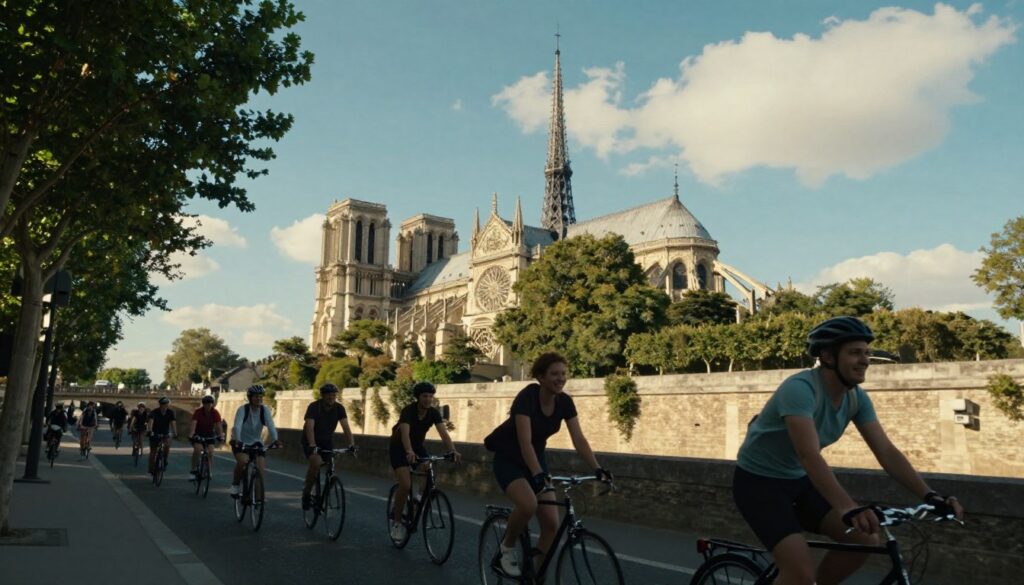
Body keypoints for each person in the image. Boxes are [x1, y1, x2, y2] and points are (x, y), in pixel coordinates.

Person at [733, 316, 965, 585]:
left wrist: (930, 495)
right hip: (760, 484)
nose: (865, 359)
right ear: (828, 356)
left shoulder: (856, 397)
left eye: (867, 353)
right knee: (800, 574)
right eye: (855, 352)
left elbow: (886, 452)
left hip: (799, 482)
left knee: (864, 537)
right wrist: (848, 508)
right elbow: (809, 456)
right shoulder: (800, 389)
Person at [483, 352, 612, 578]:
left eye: (563, 374)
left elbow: (579, 439)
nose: (560, 378)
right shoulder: (527, 397)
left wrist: (597, 469)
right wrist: (538, 474)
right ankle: (507, 548)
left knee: (552, 524)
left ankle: (535, 576)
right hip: (510, 458)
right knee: (528, 505)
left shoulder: (565, 402)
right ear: (541, 377)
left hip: (536, 458)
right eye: (554, 374)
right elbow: (524, 441)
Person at [387, 381, 461, 541]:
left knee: (429, 468)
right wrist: (409, 451)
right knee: (405, 485)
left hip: (417, 447)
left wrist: (452, 450)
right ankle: (397, 522)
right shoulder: (409, 411)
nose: (428, 399)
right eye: (424, 396)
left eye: (430, 396)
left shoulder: (433, 413)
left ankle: (418, 499)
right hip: (400, 448)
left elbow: (444, 433)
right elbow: (405, 434)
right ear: (418, 397)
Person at [300, 383, 356, 510]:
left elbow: (346, 428)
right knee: (316, 463)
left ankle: (323, 496)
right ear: (322, 396)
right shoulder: (314, 407)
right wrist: (312, 444)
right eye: (329, 395)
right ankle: (307, 493)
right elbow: (309, 426)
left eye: (334, 395)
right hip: (310, 440)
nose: (331, 398)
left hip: (326, 442)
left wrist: (351, 444)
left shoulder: (339, 408)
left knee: (332, 471)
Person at [230, 384, 280, 498]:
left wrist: (276, 440)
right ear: (250, 398)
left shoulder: (264, 410)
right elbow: (237, 427)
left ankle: (258, 499)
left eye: (261, 396)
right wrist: (237, 440)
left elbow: (271, 427)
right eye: (256, 396)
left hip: (257, 443)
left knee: (260, 471)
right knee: (242, 461)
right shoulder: (243, 409)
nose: (259, 398)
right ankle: (236, 484)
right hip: (240, 442)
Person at [188, 395, 224, 480]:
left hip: (209, 434)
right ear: (203, 404)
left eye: (210, 403)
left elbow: (218, 425)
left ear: (212, 404)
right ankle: (193, 470)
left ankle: (209, 471)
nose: (208, 405)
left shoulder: (215, 412)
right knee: (197, 449)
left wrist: (220, 436)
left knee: (210, 452)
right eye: (206, 403)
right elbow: (194, 423)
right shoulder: (198, 412)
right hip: (198, 434)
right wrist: (191, 434)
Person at [146, 397, 177, 475]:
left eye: (166, 404)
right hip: (155, 433)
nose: (165, 406)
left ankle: (165, 460)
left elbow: (173, 423)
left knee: (167, 446)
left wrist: (175, 432)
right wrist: (150, 431)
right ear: (160, 405)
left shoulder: (170, 412)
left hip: (165, 433)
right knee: (153, 452)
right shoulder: (154, 412)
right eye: (163, 404)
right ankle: (151, 467)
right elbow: (151, 422)